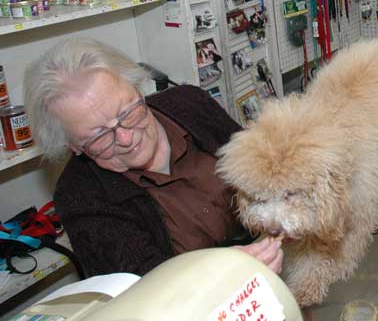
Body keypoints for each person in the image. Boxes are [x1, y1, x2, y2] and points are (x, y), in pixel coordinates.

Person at [23, 38, 283, 278]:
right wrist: (218, 273)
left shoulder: (189, 103)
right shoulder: (79, 195)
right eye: (99, 137)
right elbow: (141, 282)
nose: (126, 139)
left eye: (128, 112)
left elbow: (260, 169)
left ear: (137, 87)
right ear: (74, 146)